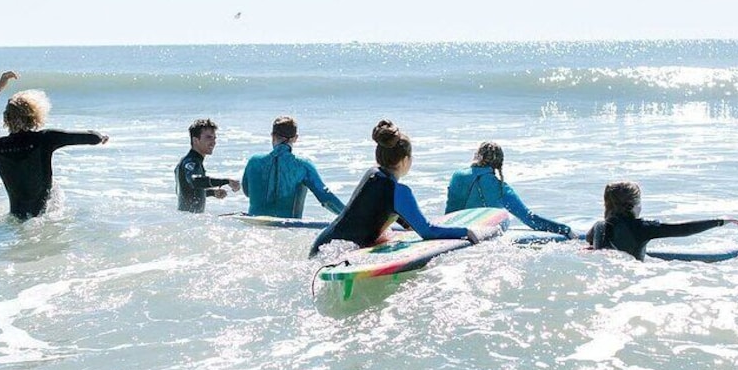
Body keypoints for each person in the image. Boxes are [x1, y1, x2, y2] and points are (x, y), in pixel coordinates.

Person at [310, 120, 499, 257]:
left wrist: (409, 226)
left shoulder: (372, 174)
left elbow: (378, 207)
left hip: (323, 244)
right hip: (337, 253)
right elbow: (428, 232)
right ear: (405, 160)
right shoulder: (399, 192)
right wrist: (466, 231)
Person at [0, 70, 109, 220]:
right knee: (55, 192)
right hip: (43, 220)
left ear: (6, 118)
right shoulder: (45, 139)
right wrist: (101, 137)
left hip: (16, 219)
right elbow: (91, 137)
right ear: (34, 116)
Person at [585, 181, 738, 261]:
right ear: (634, 205)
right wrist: (719, 221)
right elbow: (682, 229)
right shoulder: (643, 227)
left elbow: (589, 240)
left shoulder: (600, 226)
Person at [446, 142, 576, 238]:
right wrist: (565, 230)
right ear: (498, 163)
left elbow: (450, 212)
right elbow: (530, 219)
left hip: (453, 232)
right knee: (504, 219)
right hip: (484, 235)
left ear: (478, 156)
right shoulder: (501, 188)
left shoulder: (457, 176)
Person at [241, 116, 345, 218]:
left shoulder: (254, 161)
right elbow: (326, 198)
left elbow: (247, 192)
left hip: (255, 226)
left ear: (272, 135)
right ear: (295, 138)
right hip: (288, 229)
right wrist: (351, 217)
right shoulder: (303, 165)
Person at [175, 119, 241, 213]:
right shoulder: (191, 162)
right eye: (209, 137)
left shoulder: (187, 161)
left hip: (187, 221)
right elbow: (195, 181)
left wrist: (212, 192)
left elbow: (188, 191)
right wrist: (226, 181)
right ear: (195, 140)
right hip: (190, 222)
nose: (213, 142)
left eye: (214, 138)